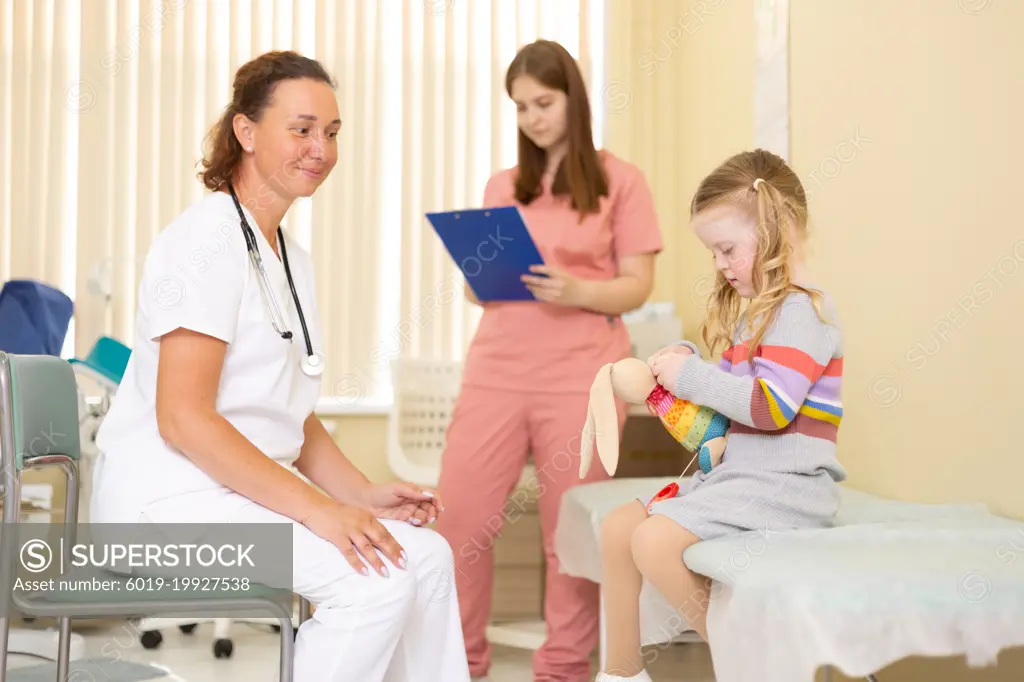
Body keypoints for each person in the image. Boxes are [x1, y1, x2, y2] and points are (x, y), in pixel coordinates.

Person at [89, 50, 471, 682]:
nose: (319, 148)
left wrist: (360, 494)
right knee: (371, 585)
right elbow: (184, 419)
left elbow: (287, 410)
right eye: (301, 129)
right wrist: (320, 510)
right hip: (164, 505)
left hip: (229, 497)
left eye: (331, 132)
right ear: (246, 132)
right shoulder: (204, 242)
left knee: (424, 558)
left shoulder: (287, 253)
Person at [433, 40, 663, 682]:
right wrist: (480, 274)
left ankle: (562, 669)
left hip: (582, 373)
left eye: (543, 102)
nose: (533, 117)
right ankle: (460, 664)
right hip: (497, 367)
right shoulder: (503, 185)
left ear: (573, 99)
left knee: (572, 533)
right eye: (521, 107)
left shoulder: (622, 181)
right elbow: (481, 288)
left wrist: (578, 289)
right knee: (462, 518)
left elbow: (637, 284)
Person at [594, 149, 848, 681]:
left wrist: (689, 376)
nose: (720, 265)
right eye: (713, 253)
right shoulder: (756, 314)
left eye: (727, 249)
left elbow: (768, 406)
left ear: (780, 228)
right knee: (620, 527)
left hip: (790, 486)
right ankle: (620, 675)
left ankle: (756, 663)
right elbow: (731, 389)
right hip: (742, 477)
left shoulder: (801, 312)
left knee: (654, 539)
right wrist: (687, 364)